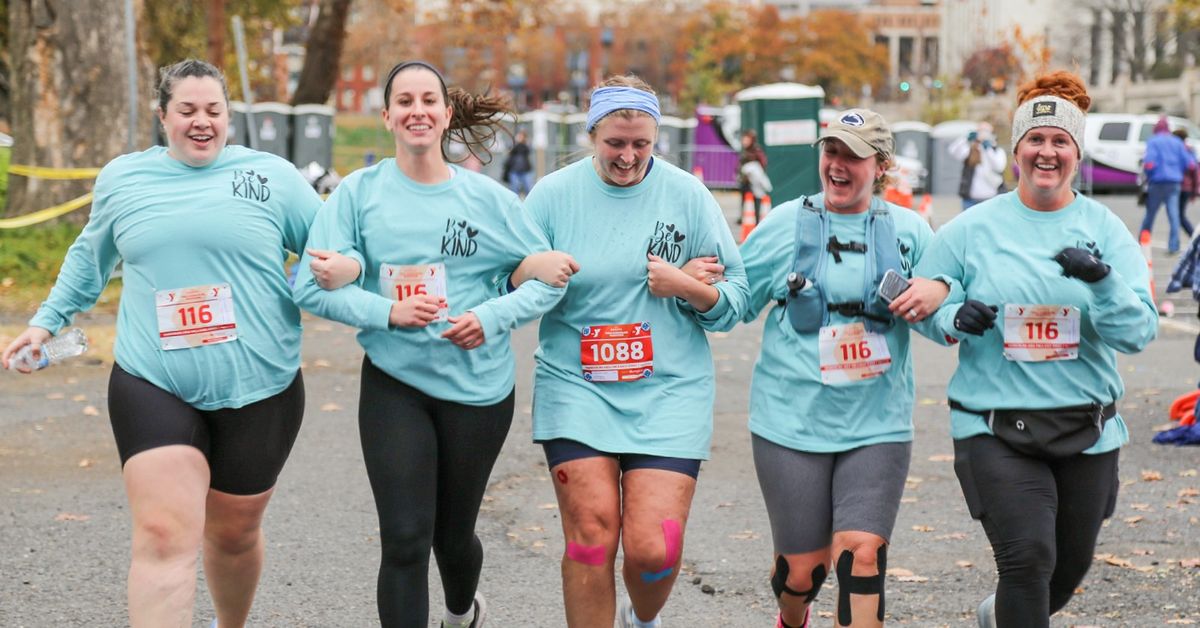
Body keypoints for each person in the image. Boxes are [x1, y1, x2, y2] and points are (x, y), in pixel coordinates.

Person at [0, 59, 323, 628]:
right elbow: (89, 258)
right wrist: (46, 322)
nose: (202, 122)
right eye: (187, 111)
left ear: (229, 115)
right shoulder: (125, 179)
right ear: (162, 116)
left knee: (233, 533)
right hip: (154, 380)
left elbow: (331, 250)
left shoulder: (273, 177)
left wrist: (371, 297)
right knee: (162, 534)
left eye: (213, 111)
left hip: (260, 383)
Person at [292, 60, 575, 628]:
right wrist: (386, 312)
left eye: (428, 100)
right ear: (387, 116)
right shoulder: (358, 193)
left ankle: (461, 611)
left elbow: (551, 277)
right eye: (404, 101)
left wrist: (491, 317)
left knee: (452, 537)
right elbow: (307, 286)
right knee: (403, 538)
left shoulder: (488, 201)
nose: (416, 110)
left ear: (446, 115)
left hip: (478, 389)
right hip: (395, 384)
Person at [914, 71, 1158, 627]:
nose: (1047, 152)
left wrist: (1101, 280)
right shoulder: (971, 229)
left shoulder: (1106, 229)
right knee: (1027, 559)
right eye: (1035, 140)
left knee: (1066, 570)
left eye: (1060, 142)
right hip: (995, 425)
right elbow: (922, 310)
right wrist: (955, 316)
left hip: (1087, 428)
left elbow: (1138, 333)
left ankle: (995, 617)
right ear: (1016, 150)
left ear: (1076, 152)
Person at [515, 74, 750, 628]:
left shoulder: (688, 195)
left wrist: (687, 287)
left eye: (641, 144)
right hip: (577, 385)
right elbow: (508, 278)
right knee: (592, 536)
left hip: (669, 390)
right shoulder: (552, 196)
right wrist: (532, 270)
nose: (627, 157)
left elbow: (736, 300)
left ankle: (641, 619)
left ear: (656, 139)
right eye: (615, 143)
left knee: (654, 551)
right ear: (592, 133)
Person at [738, 109, 950, 628]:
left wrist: (950, 308)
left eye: (852, 155)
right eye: (831, 151)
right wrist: (694, 288)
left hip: (877, 423)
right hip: (791, 421)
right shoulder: (785, 223)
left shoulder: (908, 230)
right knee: (802, 573)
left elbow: (938, 315)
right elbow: (734, 302)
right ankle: (792, 617)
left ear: (879, 166)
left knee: (862, 557)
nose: (837, 164)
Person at [1141, 115, 1197, 254]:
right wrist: (1176, 170)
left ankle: (1142, 242)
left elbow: (1149, 162)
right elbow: (1189, 164)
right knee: (1174, 215)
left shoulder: (1153, 141)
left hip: (1158, 182)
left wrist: (1149, 175)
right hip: (1174, 182)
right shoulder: (1177, 142)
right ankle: (1173, 246)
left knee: (1150, 215)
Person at [948, 122, 1007, 210]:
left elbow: (999, 166)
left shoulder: (997, 151)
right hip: (970, 200)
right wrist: (965, 138)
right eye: (980, 131)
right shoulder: (971, 151)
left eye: (986, 131)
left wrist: (988, 148)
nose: (982, 134)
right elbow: (952, 150)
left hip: (991, 199)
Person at [1172, 127, 1199, 239]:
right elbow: (1195, 172)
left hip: (1179, 186)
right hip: (1188, 188)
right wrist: (1194, 191)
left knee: (1178, 216)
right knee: (1178, 215)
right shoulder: (1190, 150)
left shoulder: (1177, 150)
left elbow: (1192, 169)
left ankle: (1194, 237)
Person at [739, 129, 769, 223]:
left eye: (746, 139)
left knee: (756, 199)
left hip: (754, 181)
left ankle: (756, 219)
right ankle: (744, 217)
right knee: (745, 199)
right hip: (745, 181)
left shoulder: (756, 150)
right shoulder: (744, 151)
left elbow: (763, 162)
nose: (744, 141)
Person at [502, 130, 535, 196]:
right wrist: (516, 142)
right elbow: (509, 149)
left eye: (522, 136)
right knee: (514, 190)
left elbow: (529, 149)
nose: (520, 138)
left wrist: (524, 142)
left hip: (526, 170)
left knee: (528, 189)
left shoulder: (526, 145)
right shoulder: (514, 144)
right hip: (514, 170)